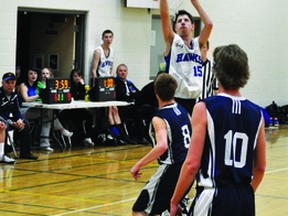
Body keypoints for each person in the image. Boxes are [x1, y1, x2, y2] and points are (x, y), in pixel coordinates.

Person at [170, 44, 266, 216]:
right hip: (245, 198)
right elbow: (260, 167)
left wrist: (175, 200)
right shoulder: (256, 113)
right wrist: (244, 193)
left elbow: (192, 164)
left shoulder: (204, 107)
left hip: (213, 195)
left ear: (217, 71)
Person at [130, 73, 192, 215]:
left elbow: (162, 145)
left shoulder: (159, 118)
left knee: (140, 210)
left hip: (172, 167)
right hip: (188, 168)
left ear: (155, 92)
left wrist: (138, 164)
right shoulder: (183, 111)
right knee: (172, 209)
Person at [160, 0, 213, 114]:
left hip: (195, 100)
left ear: (193, 26)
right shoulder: (172, 40)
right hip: (176, 99)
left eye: (186, 20)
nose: (183, 22)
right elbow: (164, 16)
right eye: (179, 21)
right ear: (175, 27)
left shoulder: (198, 43)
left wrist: (194, 2)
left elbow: (209, 24)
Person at [91, 30, 134, 144]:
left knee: (114, 109)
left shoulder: (112, 51)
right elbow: (94, 70)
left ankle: (121, 136)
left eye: (110, 37)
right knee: (108, 111)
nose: (108, 39)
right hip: (100, 83)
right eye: (106, 37)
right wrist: (96, 86)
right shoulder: (98, 51)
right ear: (102, 38)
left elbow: (110, 69)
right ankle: (115, 135)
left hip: (109, 82)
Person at [17, 68, 73, 152]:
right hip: (22, 111)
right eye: (31, 74)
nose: (33, 75)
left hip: (33, 109)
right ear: (27, 75)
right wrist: (40, 95)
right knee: (47, 112)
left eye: (35, 74)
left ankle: (44, 144)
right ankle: (60, 129)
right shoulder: (23, 85)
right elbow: (26, 99)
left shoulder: (36, 86)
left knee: (47, 117)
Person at [0, 72, 38, 161]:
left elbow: (16, 111)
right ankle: (3, 153)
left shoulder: (15, 96)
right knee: (3, 125)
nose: (10, 85)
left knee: (25, 123)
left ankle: (25, 152)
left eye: (12, 83)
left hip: (8, 119)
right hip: (2, 120)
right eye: (7, 83)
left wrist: (19, 120)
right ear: (3, 83)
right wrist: (12, 123)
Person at [115, 64, 155, 144]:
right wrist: (132, 96)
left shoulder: (129, 83)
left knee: (150, 110)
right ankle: (140, 137)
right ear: (117, 72)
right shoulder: (116, 83)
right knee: (138, 111)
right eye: (120, 71)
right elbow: (121, 97)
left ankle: (148, 133)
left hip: (132, 105)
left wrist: (131, 96)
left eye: (125, 71)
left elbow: (139, 94)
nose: (123, 72)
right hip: (122, 107)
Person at [59, 69, 95, 147]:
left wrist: (83, 85)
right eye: (75, 76)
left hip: (79, 108)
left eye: (79, 76)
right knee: (77, 119)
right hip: (69, 110)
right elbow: (75, 96)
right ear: (72, 77)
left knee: (90, 116)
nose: (77, 78)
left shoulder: (81, 85)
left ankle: (88, 137)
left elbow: (87, 95)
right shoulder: (69, 85)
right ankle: (79, 138)